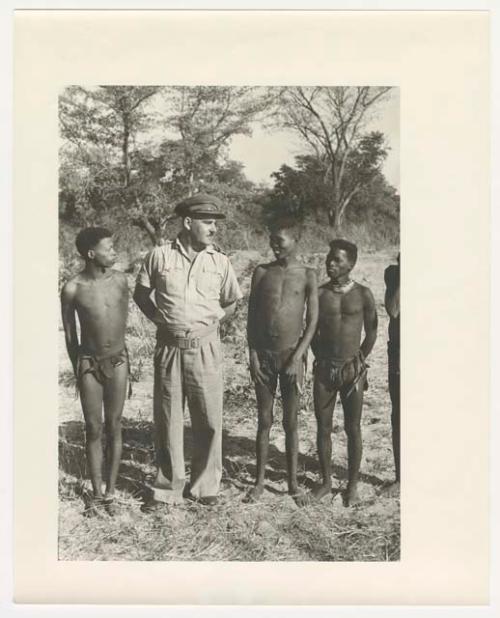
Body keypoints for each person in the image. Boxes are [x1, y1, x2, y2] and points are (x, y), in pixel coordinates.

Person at [133, 193, 242, 507]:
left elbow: (231, 300)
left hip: (206, 348)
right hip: (169, 348)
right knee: (167, 419)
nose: (214, 229)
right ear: (188, 222)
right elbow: (141, 293)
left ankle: (205, 487)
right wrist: (159, 319)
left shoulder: (219, 261)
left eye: (215, 223)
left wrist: (212, 322)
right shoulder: (159, 256)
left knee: (208, 418)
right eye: (208, 223)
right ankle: (168, 488)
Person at [245, 218, 318, 503]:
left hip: (291, 356)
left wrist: (298, 358)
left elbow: (311, 321)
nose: (274, 246)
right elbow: (251, 316)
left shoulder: (308, 275)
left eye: (280, 241)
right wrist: (252, 356)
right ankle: (259, 481)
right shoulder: (261, 272)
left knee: (291, 422)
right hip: (263, 356)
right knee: (264, 419)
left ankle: (293, 483)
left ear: (295, 241)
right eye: (272, 241)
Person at [61, 227, 129, 517]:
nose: (114, 252)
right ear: (91, 254)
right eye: (109, 247)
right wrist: (80, 367)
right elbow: (70, 335)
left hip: (118, 362)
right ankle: (97, 493)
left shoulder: (121, 281)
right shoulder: (72, 288)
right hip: (88, 364)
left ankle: (111, 494)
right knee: (94, 428)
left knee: (114, 425)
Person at [308, 239, 378, 507]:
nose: (331, 264)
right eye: (329, 259)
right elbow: (311, 330)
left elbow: (371, 332)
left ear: (351, 264)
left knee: (353, 427)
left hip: (352, 372)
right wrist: (320, 359)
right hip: (325, 369)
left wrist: (359, 360)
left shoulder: (363, 294)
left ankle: (352, 485)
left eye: (337, 260)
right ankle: (325, 482)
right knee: (323, 427)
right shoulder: (320, 294)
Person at [381, 253, 400, 496]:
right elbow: (394, 310)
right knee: (399, 415)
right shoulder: (393, 274)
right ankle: (401, 478)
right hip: (399, 352)